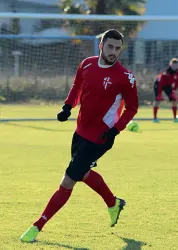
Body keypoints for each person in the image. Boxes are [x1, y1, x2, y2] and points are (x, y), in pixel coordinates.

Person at [20, 29, 139, 242]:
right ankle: (114, 203)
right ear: (101, 45)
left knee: (68, 181)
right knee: (82, 173)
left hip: (101, 137)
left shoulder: (125, 77)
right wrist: (68, 106)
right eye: (110, 46)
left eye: (118, 48)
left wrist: (116, 129)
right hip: (80, 131)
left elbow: (132, 108)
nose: (114, 52)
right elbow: (77, 88)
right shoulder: (87, 64)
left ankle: (37, 226)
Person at [153, 58, 178, 122]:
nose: (174, 66)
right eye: (173, 65)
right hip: (158, 84)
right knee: (157, 100)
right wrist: (159, 94)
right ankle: (155, 118)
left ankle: (175, 118)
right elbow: (160, 83)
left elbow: (177, 82)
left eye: (175, 65)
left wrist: (173, 90)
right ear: (170, 64)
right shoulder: (165, 73)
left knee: (174, 100)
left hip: (167, 85)